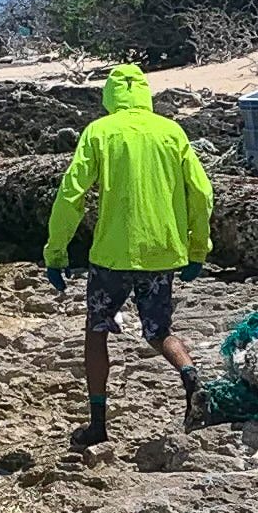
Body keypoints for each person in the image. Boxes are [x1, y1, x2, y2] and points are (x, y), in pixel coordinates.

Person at [43, 62, 216, 451]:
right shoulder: (171, 132)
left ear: (109, 97)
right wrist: (197, 248)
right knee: (159, 331)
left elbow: (71, 194)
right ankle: (190, 376)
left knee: (97, 331)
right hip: (162, 251)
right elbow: (201, 193)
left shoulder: (100, 132)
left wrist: (56, 253)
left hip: (111, 256)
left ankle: (98, 423)